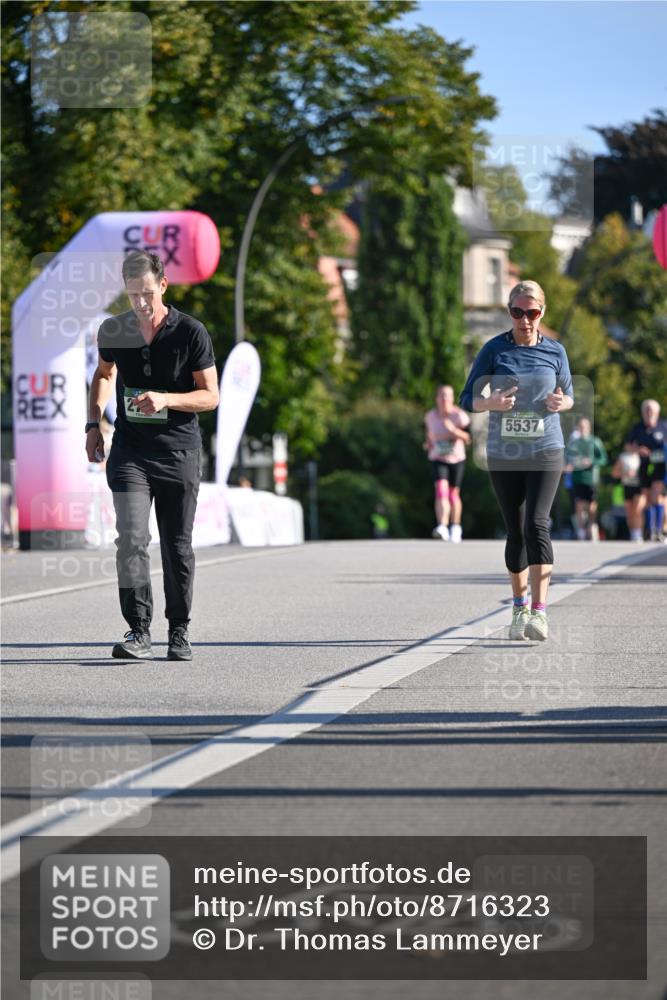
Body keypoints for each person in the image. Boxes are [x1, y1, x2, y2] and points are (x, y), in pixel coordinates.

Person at [86, 250, 219, 661]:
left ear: (163, 285)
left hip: (178, 452)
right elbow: (105, 374)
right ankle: (138, 630)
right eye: (132, 295)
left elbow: (211, 396)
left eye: (147, 293)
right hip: (130, 452)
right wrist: (93, 424)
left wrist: (166, 399)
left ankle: (178, 631)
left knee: (177, 545)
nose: (141, 303)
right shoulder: (114, 329)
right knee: (130, 538)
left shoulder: (191, 332)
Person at [459, 280, 574, 641]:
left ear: (542, 312)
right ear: (510, 312)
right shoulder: (494, 350)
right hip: (505, 450)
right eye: (518, 312)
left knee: (537, 524)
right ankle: (518, 606)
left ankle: (539, 613)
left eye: (532, 312)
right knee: (516, 531)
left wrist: (562, 403)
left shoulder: (555, 351)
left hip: (546, 447)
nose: (525, 320)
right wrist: (490, 403)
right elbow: (467, 397)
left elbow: (568, 395)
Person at [424, 384, 471, 543]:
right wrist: (428, 443)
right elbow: (430, 436)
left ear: (452, 398)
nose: (444, 399)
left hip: (456, 458)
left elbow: (468, 438)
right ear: (437, 399)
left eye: (447, 396)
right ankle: (442, 526)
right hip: (437, 458)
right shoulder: (430, 416)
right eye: (441, 396)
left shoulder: (460, 416)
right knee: (441, 490)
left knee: (453, 493)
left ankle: (455, 526)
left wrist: (453, 431)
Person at [627, 399, 667, 542]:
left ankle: (660, 529)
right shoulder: (637, 428)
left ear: (657, 412)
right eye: (646, 410)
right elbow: (628, 446)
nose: (649, 412)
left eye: (651, 410)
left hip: (660, 466)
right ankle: (650, 530)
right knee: (647, 498)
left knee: (657, 495)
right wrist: (638, 449)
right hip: (643, 466)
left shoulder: (663, 426)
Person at [564, 417, 607, 540]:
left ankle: (593, 528)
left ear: (588, 428)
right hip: (577, 478)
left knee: (592, 506)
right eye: (580, 427)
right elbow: (567, 457)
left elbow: (603, 459)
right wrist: (569, 464)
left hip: (591, 479)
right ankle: (581, 532)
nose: (582, 429)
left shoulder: (595, 442)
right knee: (579, 505)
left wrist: (591, 461)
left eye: (585, 427)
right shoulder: (574, 443)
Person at [611, 443, 643, 542]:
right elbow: (614, 473)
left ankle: (638, 533)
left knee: (637, 510)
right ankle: (633, 533)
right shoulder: (623, 457)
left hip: (639, 486)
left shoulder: (640, 456)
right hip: (627, 486)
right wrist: (624, 473)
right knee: (629, 512)